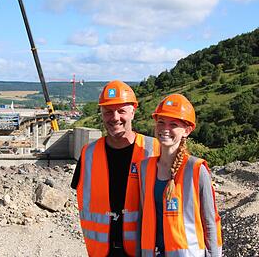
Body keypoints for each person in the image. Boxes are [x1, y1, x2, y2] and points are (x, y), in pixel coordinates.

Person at [71, 80, 160, 257]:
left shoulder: (154, 150)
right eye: (108, 112)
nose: (115, 117)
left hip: (144, 249)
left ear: (133, 112)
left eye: (121, 111)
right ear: (102, 114)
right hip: (102, 251)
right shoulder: (88, 154)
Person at [139, 94, 222, 256]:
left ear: (187, 130)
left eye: (173, 124)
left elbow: (210, 223)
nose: (165, 129)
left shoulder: (197, 169)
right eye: (161, 122)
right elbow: (144, 218)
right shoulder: (145, 168)